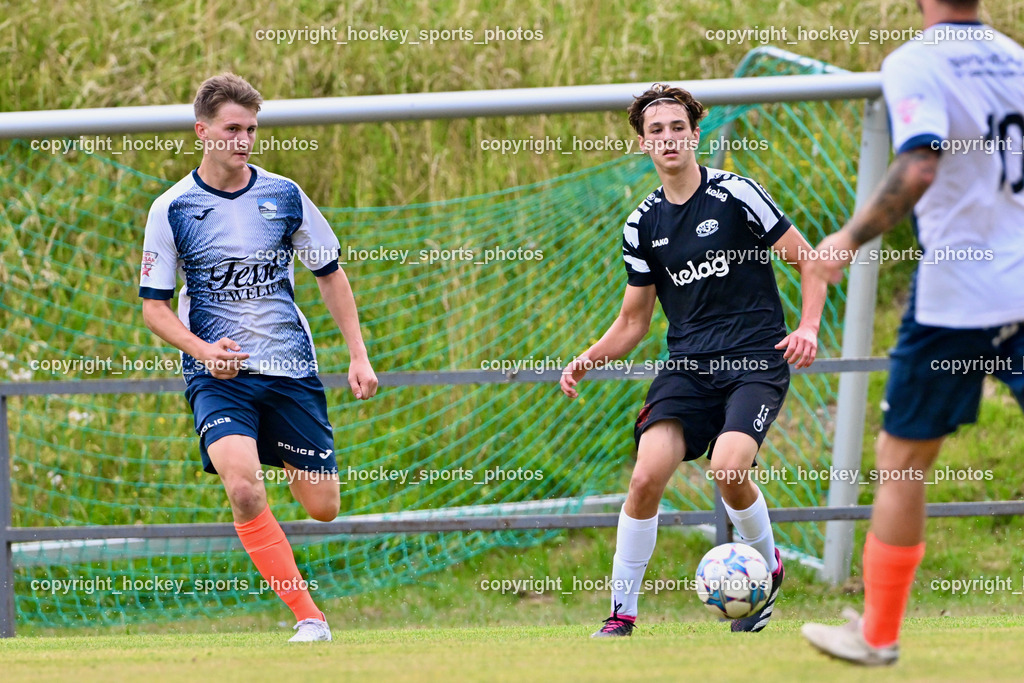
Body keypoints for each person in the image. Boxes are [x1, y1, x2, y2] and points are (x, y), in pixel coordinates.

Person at [801, 0, 1024, 666]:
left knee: (902, 462)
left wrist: (845, 238)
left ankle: (877, 634)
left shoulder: (917, 62)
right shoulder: (1017, 59)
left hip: (958, 299)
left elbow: (921, 163)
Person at [560, 83, 826, 637]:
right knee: (644, 478)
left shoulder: (737, 194)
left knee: (728, 468)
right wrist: (588, 358)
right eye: (656, 131)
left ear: (694, 134)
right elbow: (635, 320)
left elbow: (809, 261)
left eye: (677, 127)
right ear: (643, 144)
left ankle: (765, 572)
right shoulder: (642, 224)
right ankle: (622, 612)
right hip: (688, 368)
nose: (668, 138)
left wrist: (807, 326)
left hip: (755, 359)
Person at [138, 73, 378, 642]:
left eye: (250, 129)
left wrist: (357, 355)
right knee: (244, 489)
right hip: (219, 378)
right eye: (232, 129)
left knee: (323, 506)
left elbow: (330, 273)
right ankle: (309, 618)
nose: (243, 139)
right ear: (203, 132)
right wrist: (201, 350)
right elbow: (154, 308)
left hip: (290, 370)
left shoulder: (285, 194)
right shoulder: (172, 208)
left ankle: (274, 451)